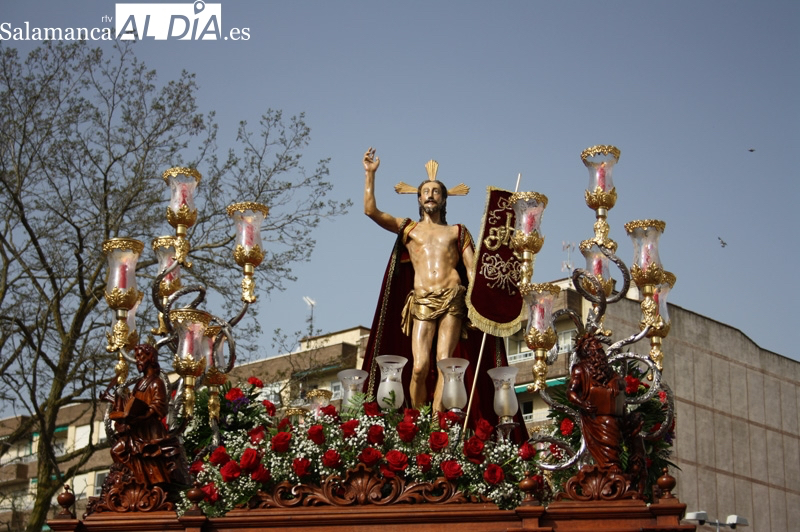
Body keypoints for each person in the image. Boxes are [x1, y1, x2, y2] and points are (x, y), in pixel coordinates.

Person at [362, 147, 476, 411]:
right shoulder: (409, 229)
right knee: (419, 367)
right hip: (423, 300)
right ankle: (417, 419)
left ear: (445, 199)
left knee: (445, 362)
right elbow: (371, 211)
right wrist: (370, 174)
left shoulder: (457, 231)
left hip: (453, 297)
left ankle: (436, 422)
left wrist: (477, 298)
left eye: (436, 191)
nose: (430, 195)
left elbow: (472, 268)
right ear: (419, 197)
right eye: (426, 191)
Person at [107, 344, 185, 487]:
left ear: (150, 358)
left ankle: (146, 482)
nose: (138, 360)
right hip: (135, 429)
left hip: (149, 431)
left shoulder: (156, 382)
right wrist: (113, 399)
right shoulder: (139, 384)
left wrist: (142, 416)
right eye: (136, 357)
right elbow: (131, 404)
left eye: (140, 357)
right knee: (116, 451)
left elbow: (159, 405)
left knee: (149, 458)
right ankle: (136, 478)